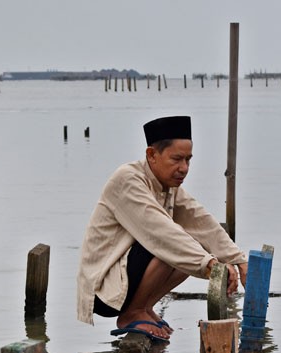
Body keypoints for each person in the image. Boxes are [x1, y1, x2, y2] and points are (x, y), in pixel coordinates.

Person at [77, 115, 248, 341]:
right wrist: (212, 265)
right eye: (176, 159)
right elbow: (161, 233)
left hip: (127, 279)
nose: (184, 168)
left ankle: (144, 308)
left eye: (188, 160)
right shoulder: (128, 179)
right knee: (176, 244)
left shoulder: (168, 187)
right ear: (152, 155)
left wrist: (238, 260)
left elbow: (201, 221)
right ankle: (132, 313)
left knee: (191, 245)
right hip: (104, 288)